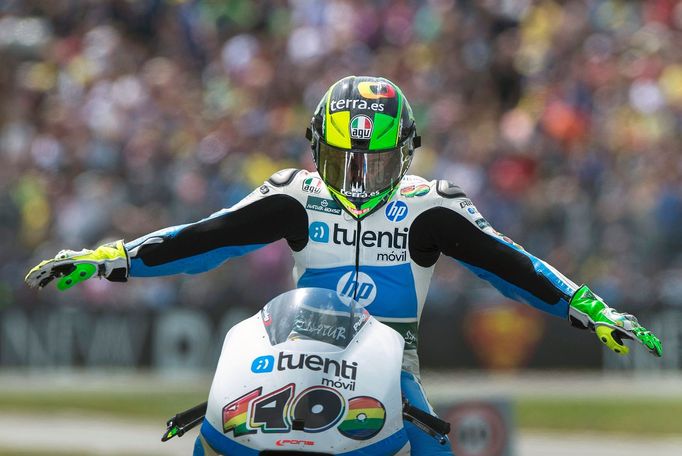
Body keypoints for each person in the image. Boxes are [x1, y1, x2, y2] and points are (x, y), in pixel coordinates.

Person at [25, 76, 662, 455]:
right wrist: (111, 259)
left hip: (389, 378)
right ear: (316, 146)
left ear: (406, 154)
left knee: (433, 444)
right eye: (343, 159)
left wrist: (588, 306)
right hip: (285, 360)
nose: (358, 178)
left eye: (375, 162)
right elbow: (202, 239)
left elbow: (512, 265)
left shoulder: (430, 208)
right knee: (210, 439)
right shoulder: (294, 194)